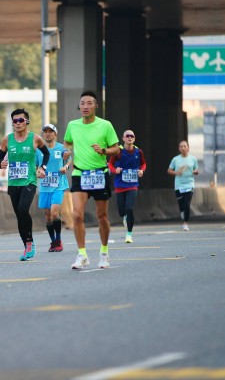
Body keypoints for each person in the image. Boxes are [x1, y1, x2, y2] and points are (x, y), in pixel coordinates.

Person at [63, 91, 119, 269]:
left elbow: (116, 149)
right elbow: (67, 143)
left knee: (102, 217)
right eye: (82, 103)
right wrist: (67, 152)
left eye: (89, 103)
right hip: (80, 173)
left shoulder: (105, 125)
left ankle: (104, 253)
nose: (85, 106)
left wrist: (103, 151)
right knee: (77, 215)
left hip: (99, 174)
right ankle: (82, 254)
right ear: (79, 106)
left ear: (96, 106)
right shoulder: (72, 125)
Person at [0, 108, 49, 261]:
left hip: (29, 181)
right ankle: (27, 245)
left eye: (21, 120)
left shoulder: (35, 138)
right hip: (13, 182)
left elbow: (46, 153)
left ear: (27, 121)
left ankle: (30, 242)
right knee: (19, 215)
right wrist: (1, 163)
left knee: (23, 209)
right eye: (15, 121)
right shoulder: (7, 139)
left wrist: (42, 168)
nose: (18, 123)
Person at [36, 124, 71, 252]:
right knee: (48, 216)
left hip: (58, 185)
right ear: (43, 134)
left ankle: (59, 240)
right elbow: (35, 166)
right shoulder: (38, 150)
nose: (48, 133)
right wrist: (38, 172)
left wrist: (65, 167)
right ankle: (53, 241)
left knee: (54, 213)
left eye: (50, 131)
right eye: (45, 131)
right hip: (45, 186)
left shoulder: (61, 148)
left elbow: (69, 159)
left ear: (55, 134)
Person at [108, 129, 146, 243]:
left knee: (129, 208)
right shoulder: (118, 151)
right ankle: (124, 216)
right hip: (120, 184)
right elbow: (110, 164)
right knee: (121, 211)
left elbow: (143, 163)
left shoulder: (138, 151)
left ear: (134, 138)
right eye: (127, 136)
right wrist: (115, 170)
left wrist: (142, 171)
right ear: (123, 138)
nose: (129, 137)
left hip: (132, 185)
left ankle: (129, 234)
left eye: (131, 136)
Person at [167, 140, 199, 231]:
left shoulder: (193, 159)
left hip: (189, 184)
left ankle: (185, 223)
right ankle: (182, 211)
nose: (183, 148)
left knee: (187, 204)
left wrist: (195, 172)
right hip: (179, 185)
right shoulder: (175, 159)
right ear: (179, 148)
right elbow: (169, 170)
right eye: (181, 146)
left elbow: (196, 170)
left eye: (185, 146)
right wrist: (176, 172)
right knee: (181, 204)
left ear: (188, 148)